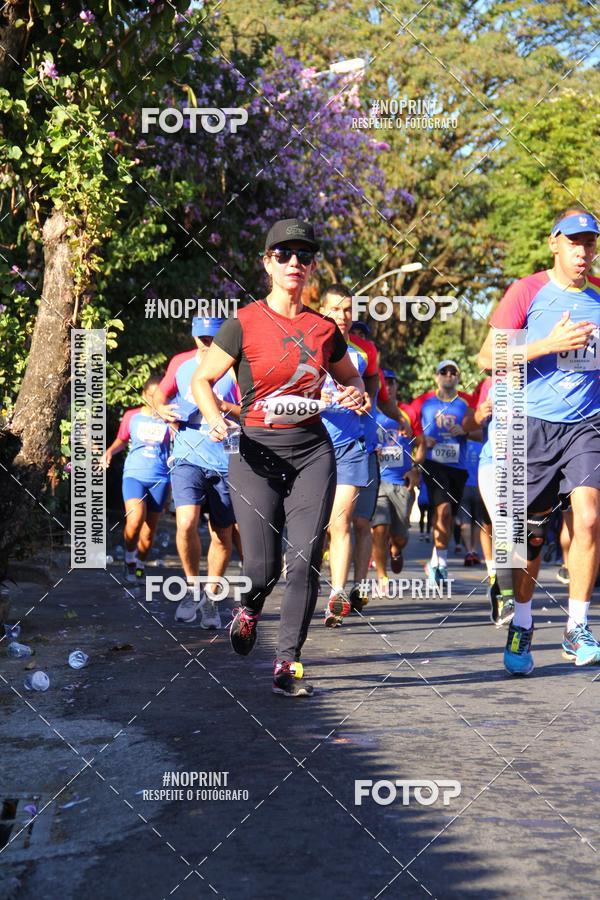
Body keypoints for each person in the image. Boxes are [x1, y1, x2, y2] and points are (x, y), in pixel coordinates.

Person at [192, 218, 364, 697]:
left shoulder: (323, 329)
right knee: (262, 570)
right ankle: (248, 607)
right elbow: (201, 381)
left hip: (312, 452)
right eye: (284, 255)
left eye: (304, 256)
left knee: (306, 557)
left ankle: (288, 661)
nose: (295, 263)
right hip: (254, 454)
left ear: (312, 267)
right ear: (267, 262)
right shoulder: (242, 324)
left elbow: (352, 378)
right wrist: (212, 417)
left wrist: (353, 395)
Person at [476, 207, 600, 673]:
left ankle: (577, 627)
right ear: (554, 243)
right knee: (527, 540)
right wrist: (549, 344)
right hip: (532, 425)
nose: (583, 251)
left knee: (588, 516)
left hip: (587, 425)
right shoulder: (526, 291)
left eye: (590, 243)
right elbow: (488, 358)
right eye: (574, 242)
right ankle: (523, 621)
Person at [155, 317, 240, 629]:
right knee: (186, 522)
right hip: (187, 456)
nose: (205, 343)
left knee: (222, 533)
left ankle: (212, 598)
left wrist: (221, 405)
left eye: (211, 338)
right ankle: (192, 588)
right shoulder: (180, 363)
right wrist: (161, 409)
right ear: (193, 337)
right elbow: (158, 396)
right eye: (201, 337)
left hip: (225, 459)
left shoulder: (234, 364)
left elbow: (250, 410)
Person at [318, 285, 374, 624]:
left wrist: (364, 401)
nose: (342, 316)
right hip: (311, 446)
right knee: (316, 526)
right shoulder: (305, 349)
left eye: (347, 310)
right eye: (336, 310)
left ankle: (337, 595)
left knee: (341, 522)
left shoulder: (360, 356)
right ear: (322, 311)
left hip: (350, 446)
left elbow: (367, 397)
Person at [103, 376, 170, 585]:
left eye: (160, 396)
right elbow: (122, 440)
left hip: (160, 478)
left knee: (149, 533)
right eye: (152, 396)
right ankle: (129, 559)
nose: (155, 400)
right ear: (144, 395)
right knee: (134, 519)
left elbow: (176, 450)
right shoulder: (132, 416)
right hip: (134, 475)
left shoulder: (171, 419)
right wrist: (110, 452)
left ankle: (140, 564)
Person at [411, 360, 472, 586]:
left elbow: (478, 433)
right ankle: (443, 566)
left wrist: (465, 430)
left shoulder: (465, 404)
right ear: (436, 376)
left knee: (447, 516)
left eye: (453, 372)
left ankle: (436, 560)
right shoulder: (424, 404)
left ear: (458, 377)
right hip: (434, 463)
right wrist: (422, 439)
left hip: (458, 467)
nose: (448, 375)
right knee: (443, 510)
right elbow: (408, 427)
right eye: (443, 372)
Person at [371, 369, 419, 590]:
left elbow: (423, 442)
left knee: (399, 536)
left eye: (391, 382)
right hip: (378, 480)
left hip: (402, 483)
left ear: (397, 386)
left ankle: (396, 548)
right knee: (379, 528)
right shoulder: (369, 410)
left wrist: (415, 468)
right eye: (384, 382)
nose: (387, 386)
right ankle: (382, 577)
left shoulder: (407, 412)